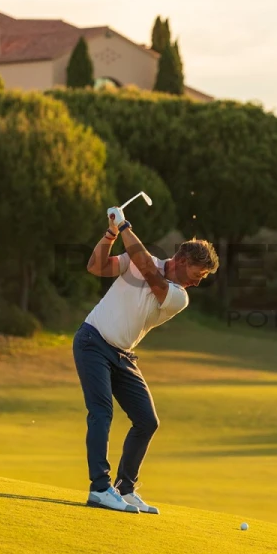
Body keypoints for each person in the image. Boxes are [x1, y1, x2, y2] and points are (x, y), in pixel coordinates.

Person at [73, 207, 218, 513]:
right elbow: (96, 266)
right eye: (197, 275)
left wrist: (124, 224)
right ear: (182, 261)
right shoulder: (139, 261)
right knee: (101, 412)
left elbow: (150, 273)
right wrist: (110, 234)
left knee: (147, 421)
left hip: (122, 355)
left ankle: (125, 489)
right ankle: (99, 488)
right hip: (92, 341)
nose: (197, 283)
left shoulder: (178, 296)